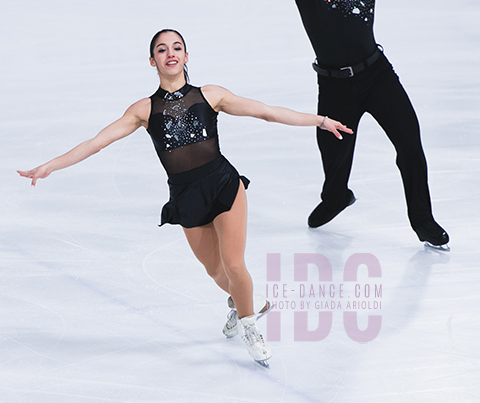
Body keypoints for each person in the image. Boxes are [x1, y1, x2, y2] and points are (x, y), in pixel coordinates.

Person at [18, 28, 353, 365]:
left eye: (177, 47)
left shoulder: (211, 95)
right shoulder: (143, 110)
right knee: (217, 272)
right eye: (162, 50)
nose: (170, 53)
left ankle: (250, 325)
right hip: (186, 196)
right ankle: (249, 302)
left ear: (187, 56)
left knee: (234, 264)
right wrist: (51, 166)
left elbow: (265, 111)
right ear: (153, 61)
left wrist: (320, 120)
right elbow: (97, 142)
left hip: (223, 185)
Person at [214, 0, 449, 248]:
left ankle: (424, 221)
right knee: (333, 157)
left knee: (410, 144)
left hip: (378, 76)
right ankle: (336, 196)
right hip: (335, 87)